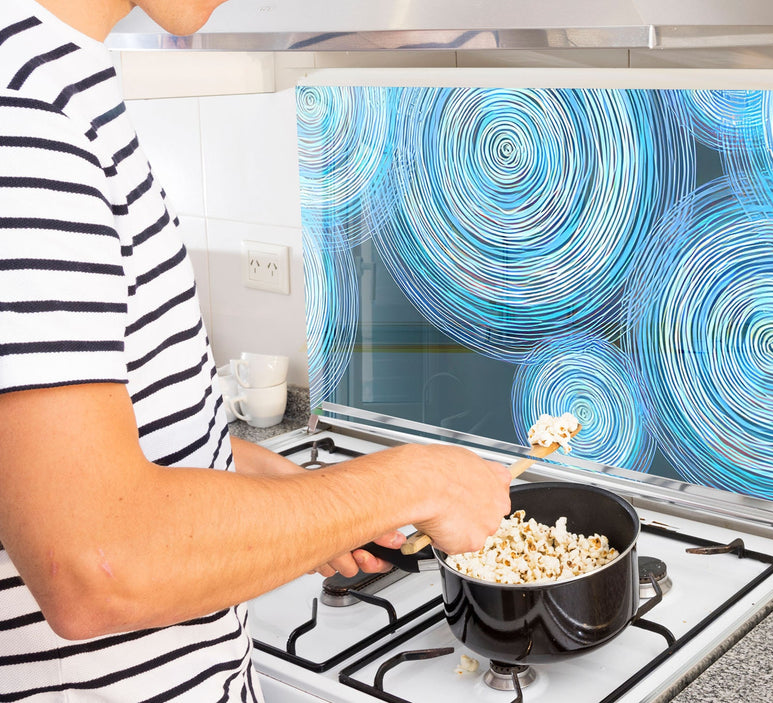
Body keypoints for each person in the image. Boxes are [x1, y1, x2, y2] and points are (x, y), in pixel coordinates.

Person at [0, 0, 512, 699]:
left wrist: (294, 497)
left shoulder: (55, 80)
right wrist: (415, 480)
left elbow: (73, 458)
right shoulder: (24, 116)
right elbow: (95, 563)